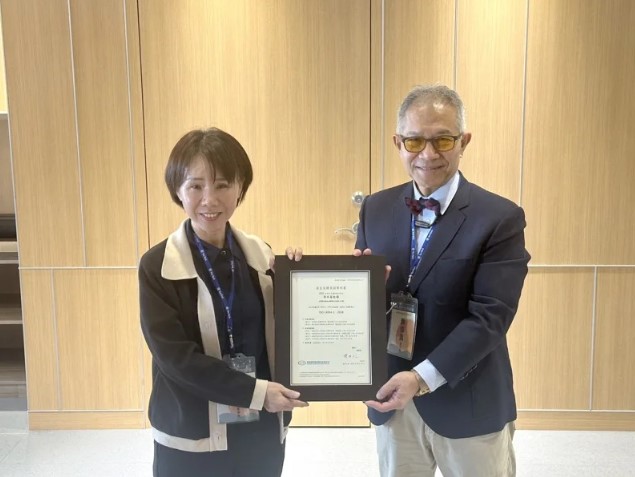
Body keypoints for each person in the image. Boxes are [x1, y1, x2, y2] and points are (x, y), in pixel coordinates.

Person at [355, 84, 530, 477]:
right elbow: (366, 303)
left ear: (463, 141)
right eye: (415, 141)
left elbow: (490, 318)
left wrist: (421, 378)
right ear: (398, 143)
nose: (428, 154)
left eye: (443, 140)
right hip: (392, 400)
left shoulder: (499, 218)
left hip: (467, 399)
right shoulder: (375, 208)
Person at [139, 127, 308, 477]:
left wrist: (302, 280)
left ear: (240, 188)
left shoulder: (261, 256)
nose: (209, 200)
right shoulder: (158, 266)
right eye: (195, 186)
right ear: (177, 190)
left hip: (260, 430)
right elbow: (175, 359)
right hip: (192, 435)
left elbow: (290, 330)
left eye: (222, 185)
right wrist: (255, 393)